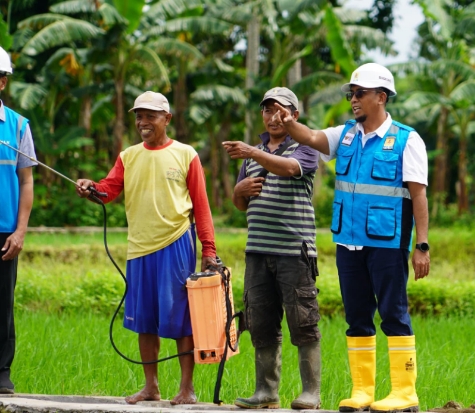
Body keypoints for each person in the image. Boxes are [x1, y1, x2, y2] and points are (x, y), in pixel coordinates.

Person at [271, 63, 430, 413]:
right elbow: (310, 137)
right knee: (356, 315)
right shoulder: (344, 135)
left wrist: (421, 245)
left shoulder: (407, 139)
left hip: (388, 243)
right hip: (349, 242)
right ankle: (363, 392)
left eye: (360, 93)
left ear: (381, 97)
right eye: (351, 94)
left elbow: (418, 195)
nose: (353, 99)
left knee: (393, 313)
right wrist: (288, 122)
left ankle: (405, 393)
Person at [75, 91, 217, 405]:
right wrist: (91, 189)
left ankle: (187, 389)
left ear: (167, 119)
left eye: (150, 115)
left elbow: (202, 207)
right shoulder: (128, 155)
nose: (143, 122)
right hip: (139, 247)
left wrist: (209, 249)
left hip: (176, 243)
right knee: (145, 318)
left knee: (181, 318)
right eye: (139, 116)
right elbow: (109, 189)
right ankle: (151, 386)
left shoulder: (185, 154)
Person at [222, 87, 321, 410]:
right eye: (268, 110)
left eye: (281, 110)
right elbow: (241, 203)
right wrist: (238, 189)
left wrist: (252, 153)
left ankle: (310, 394)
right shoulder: (255, 153)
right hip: (258, 252)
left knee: (303, 321)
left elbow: (289, 168)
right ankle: (266, 392)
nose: (273, 116)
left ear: (294, 115)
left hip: (295, 251)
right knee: (260, 321)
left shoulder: (305, 146)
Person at [0, 46, 36, 395]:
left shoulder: (17, 126)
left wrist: (20, 230)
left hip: (4, 231)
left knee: (2, 306)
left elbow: (26, 182)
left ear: (1, 81)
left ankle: (1, 374)